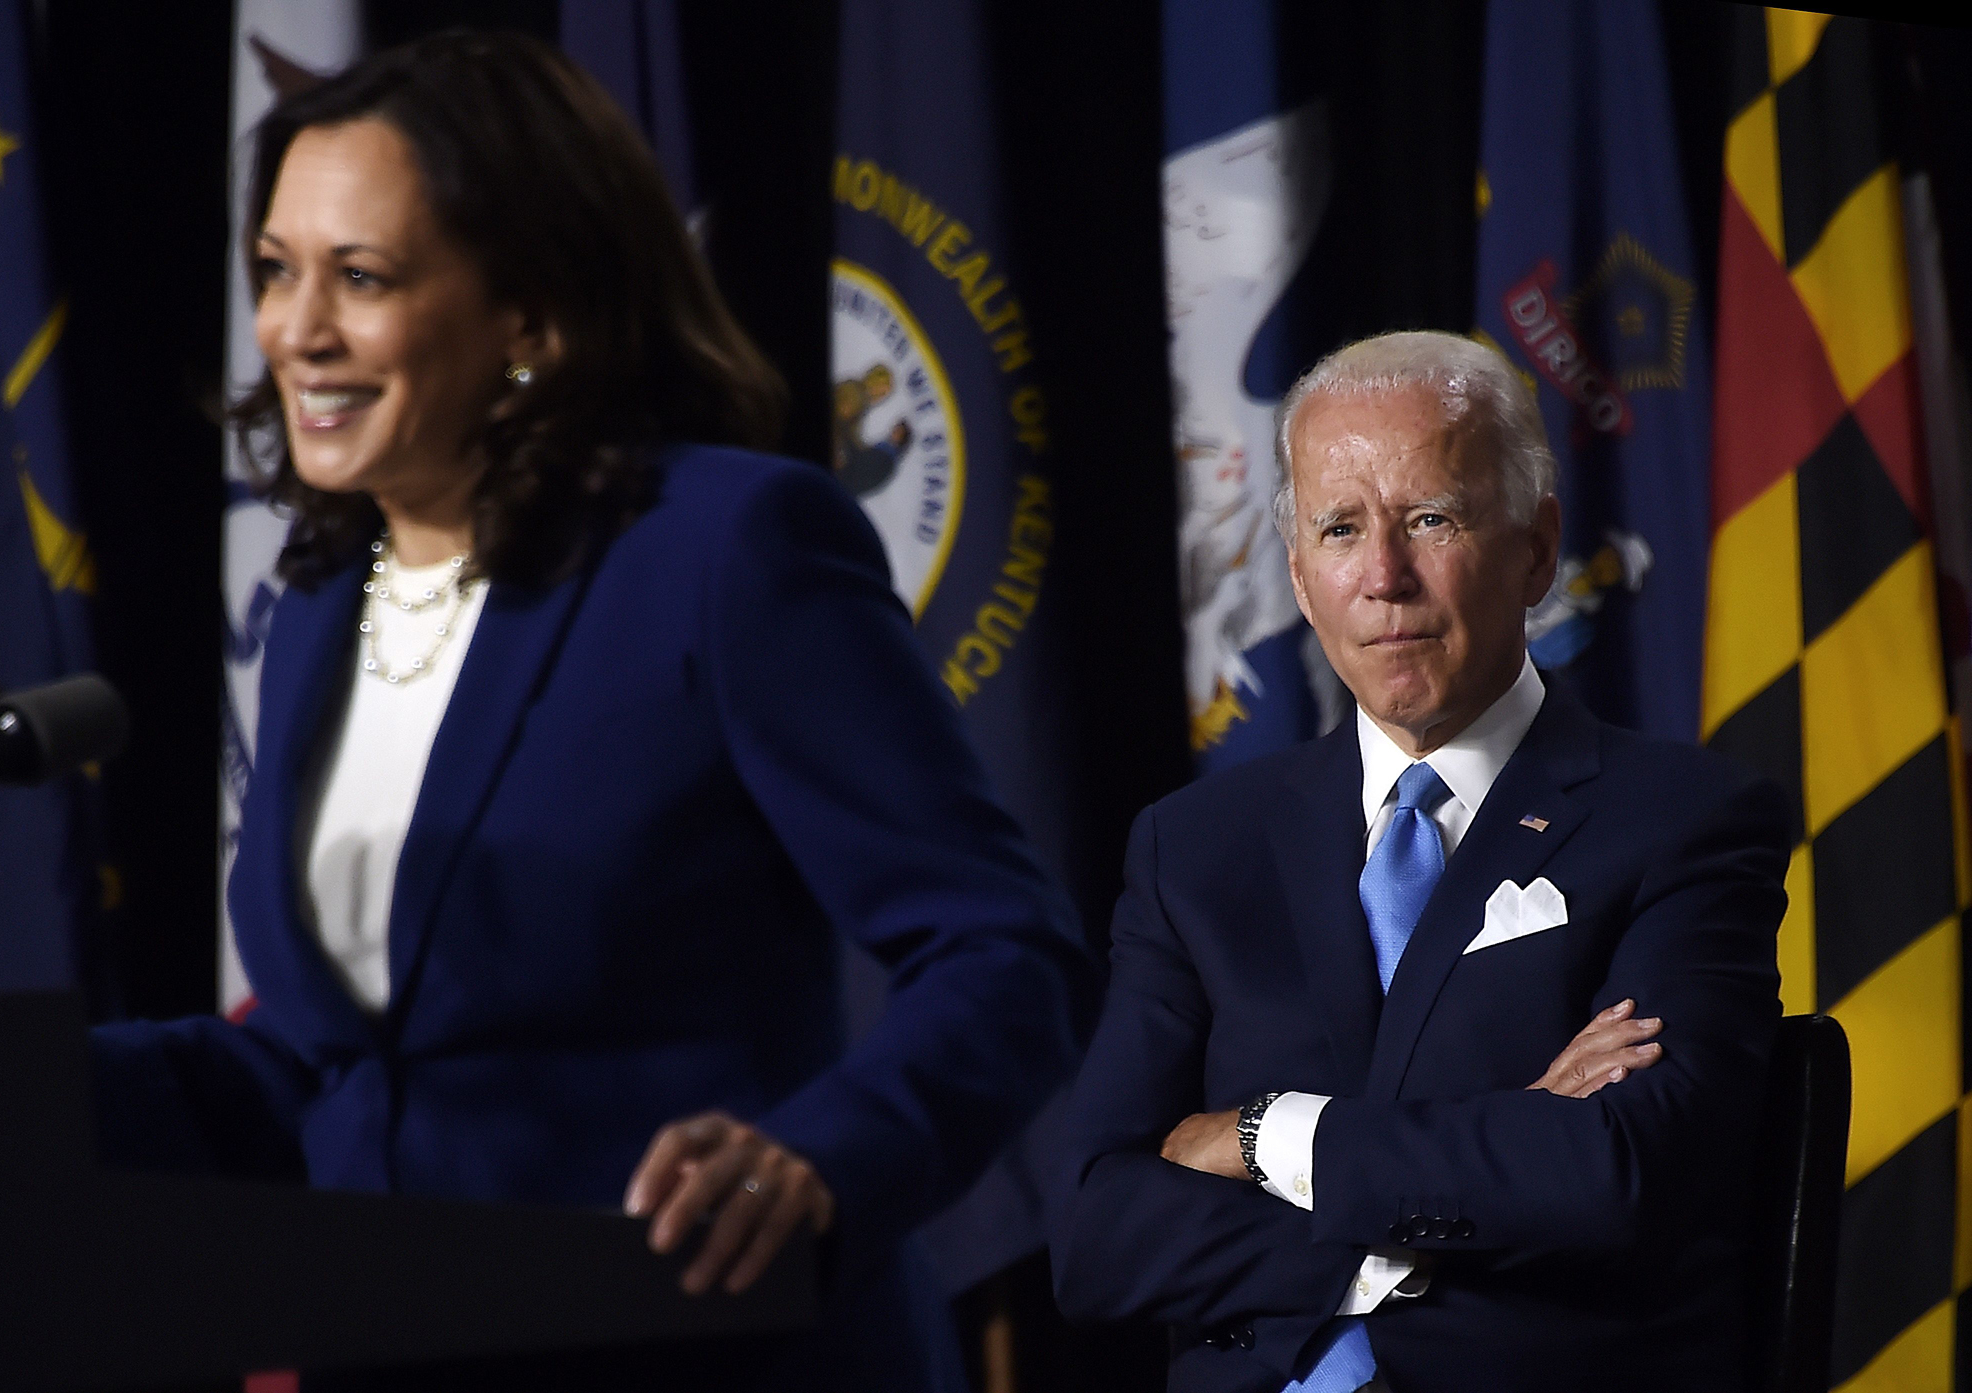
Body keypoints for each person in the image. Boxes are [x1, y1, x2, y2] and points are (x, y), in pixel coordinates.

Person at [88, 31, 1095, 1392]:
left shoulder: (725, 551)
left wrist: (821, 1157)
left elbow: (1005, 949)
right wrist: (38, 1096)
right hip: (394, 1344)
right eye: (277, 269)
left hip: (706, 1350)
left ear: (530, 313)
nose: (293, 329)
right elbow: (347, 1059)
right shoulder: (326, 595)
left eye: (362, 277)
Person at [1051, 331, 1788, 1392]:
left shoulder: (1685, 819)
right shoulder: (1192, 848)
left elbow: (1611, 1171)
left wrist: (1267, 1135)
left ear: (1535, 549)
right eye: (1340, 529)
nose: (1382, 577)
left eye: (1429, 519)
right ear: (1301, 580)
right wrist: (1466, 1183)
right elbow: (1094, 1233)